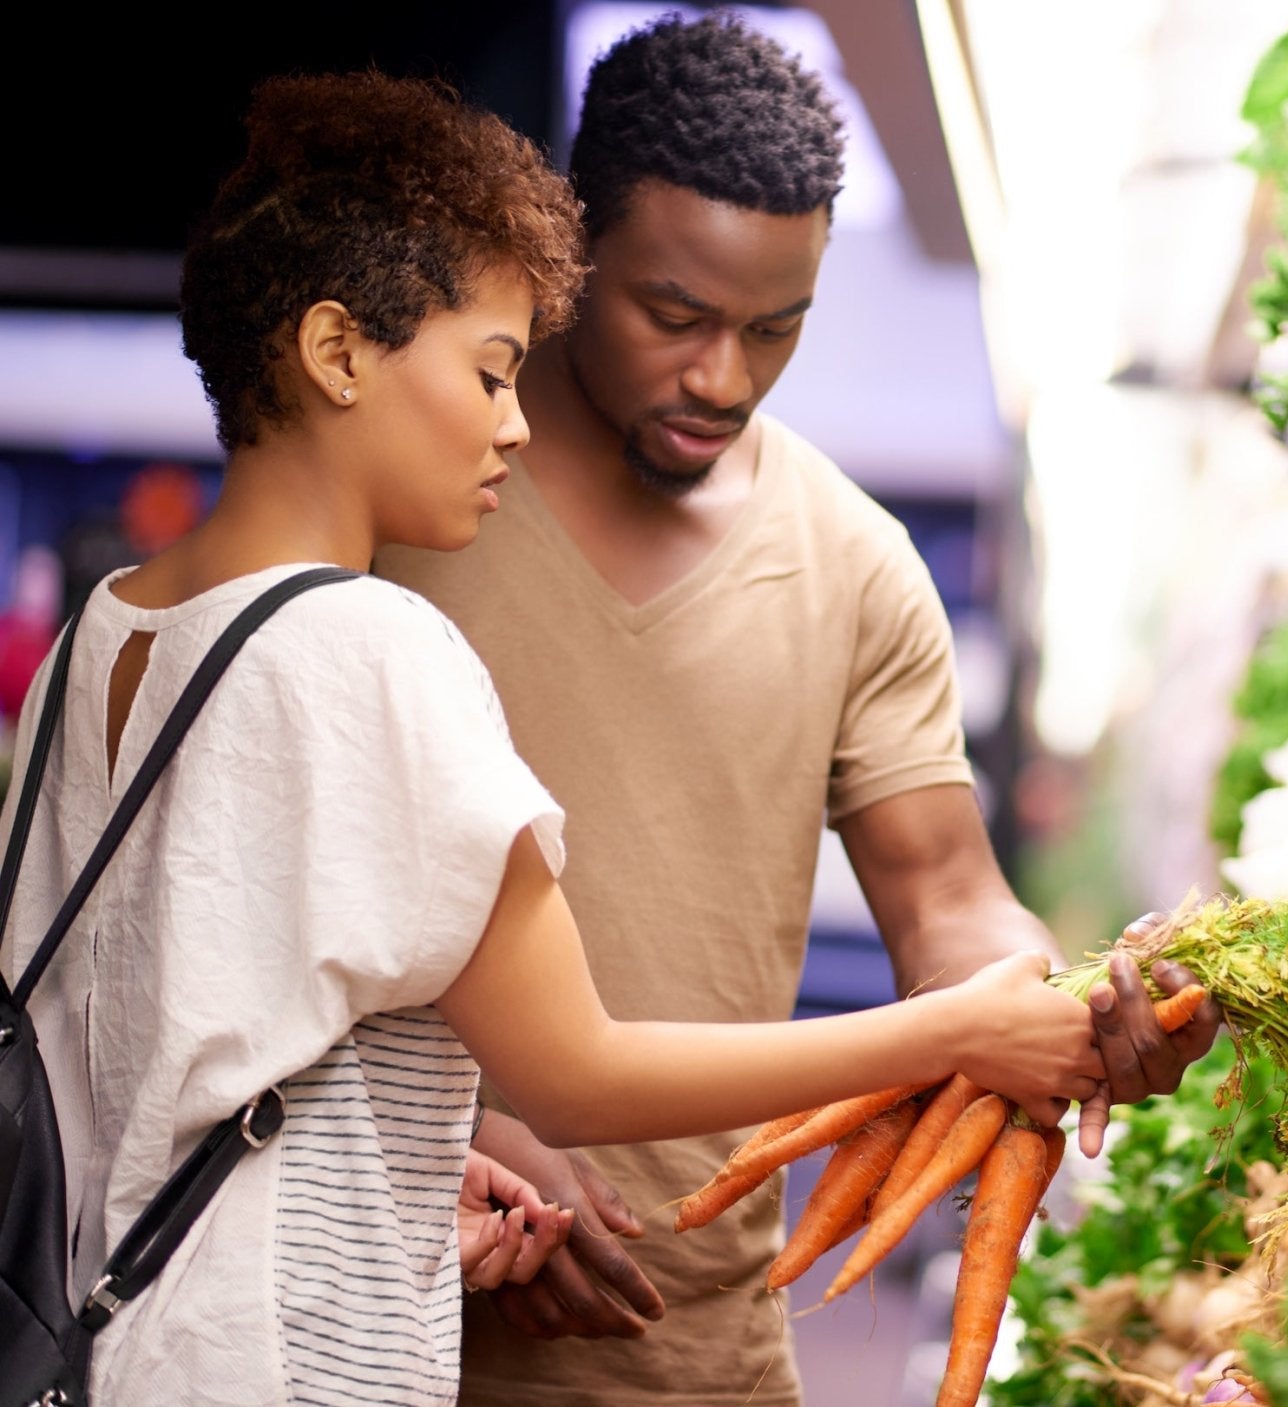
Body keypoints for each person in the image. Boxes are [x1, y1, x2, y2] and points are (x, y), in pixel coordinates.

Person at [0, 71, 1103, 1407]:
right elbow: (575, 1074)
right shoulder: (378, 643)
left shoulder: (94, 640)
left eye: (780, 328)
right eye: (490, 372)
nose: (511, 425)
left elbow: (157, 1043)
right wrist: (945, 1040)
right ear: (340, 353)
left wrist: (398, 1154)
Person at [377, 15, 1224, 1406]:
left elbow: (948, 899)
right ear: (569, 249)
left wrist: (1065, 1008)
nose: (724, 378)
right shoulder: (408, 503)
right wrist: (443, 1133)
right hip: (387, 1334)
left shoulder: (855, 559)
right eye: (675, 316)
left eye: (777, 330)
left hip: (706, 1354)